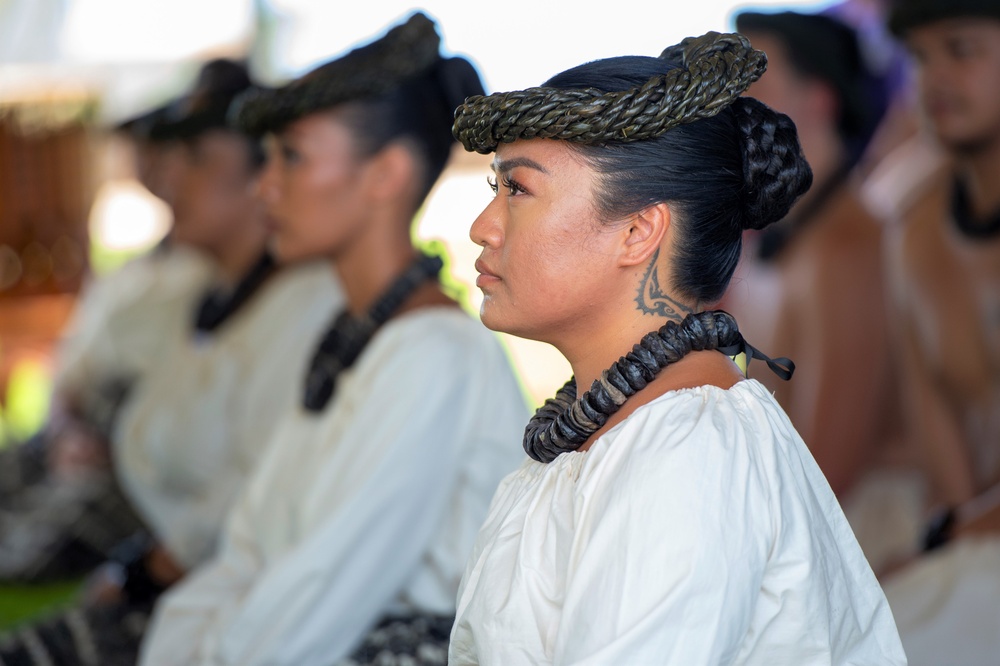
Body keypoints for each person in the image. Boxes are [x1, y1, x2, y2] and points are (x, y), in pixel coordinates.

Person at [447, 31, 907, 664]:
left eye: (518, 190)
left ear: (639, 231)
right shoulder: (636, 431)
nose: (482, 227)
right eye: (493, 191)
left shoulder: (688, 448)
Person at [138, 13, 528, 666]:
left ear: (385, 175)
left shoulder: (435, 354)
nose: (265, 186)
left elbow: (318, 596)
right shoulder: (356, 334)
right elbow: (250, 550)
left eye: (291, 156)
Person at [0, 59, 341, 665]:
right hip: (165, 550)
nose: (169, 179)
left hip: (216, 590)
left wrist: (138, 573)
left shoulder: (308, 305)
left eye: (197, 160)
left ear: (260, 180)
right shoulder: (212, 292)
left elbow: (254, 496)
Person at [721, 10, 921, 574]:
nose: (733, 106)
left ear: (820, 100)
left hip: (860, 539)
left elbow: (833, 461)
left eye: (755, 83)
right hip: (798, 521)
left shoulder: (849, 246)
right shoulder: (786, 239)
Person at [874, 1, 1000, 663]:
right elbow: (940, 447)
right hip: (971, 547)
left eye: (962, 49)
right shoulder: (912, 228)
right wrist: (943, 544)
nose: (936, 78)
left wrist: (945, 542)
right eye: (921, 58)